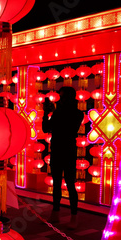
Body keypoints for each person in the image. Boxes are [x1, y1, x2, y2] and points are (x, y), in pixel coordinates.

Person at [42, 86, 84, 229]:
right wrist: (46, 113)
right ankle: (56, 213)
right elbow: (46, 128)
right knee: (57, 183)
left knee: (70, 184)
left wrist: (53, 112)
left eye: (63, 96)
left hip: (67, 151)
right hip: (58, 150)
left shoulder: (76, 114)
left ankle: (74, 216)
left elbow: (66, 127)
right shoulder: (60, 112)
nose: (61, 99)